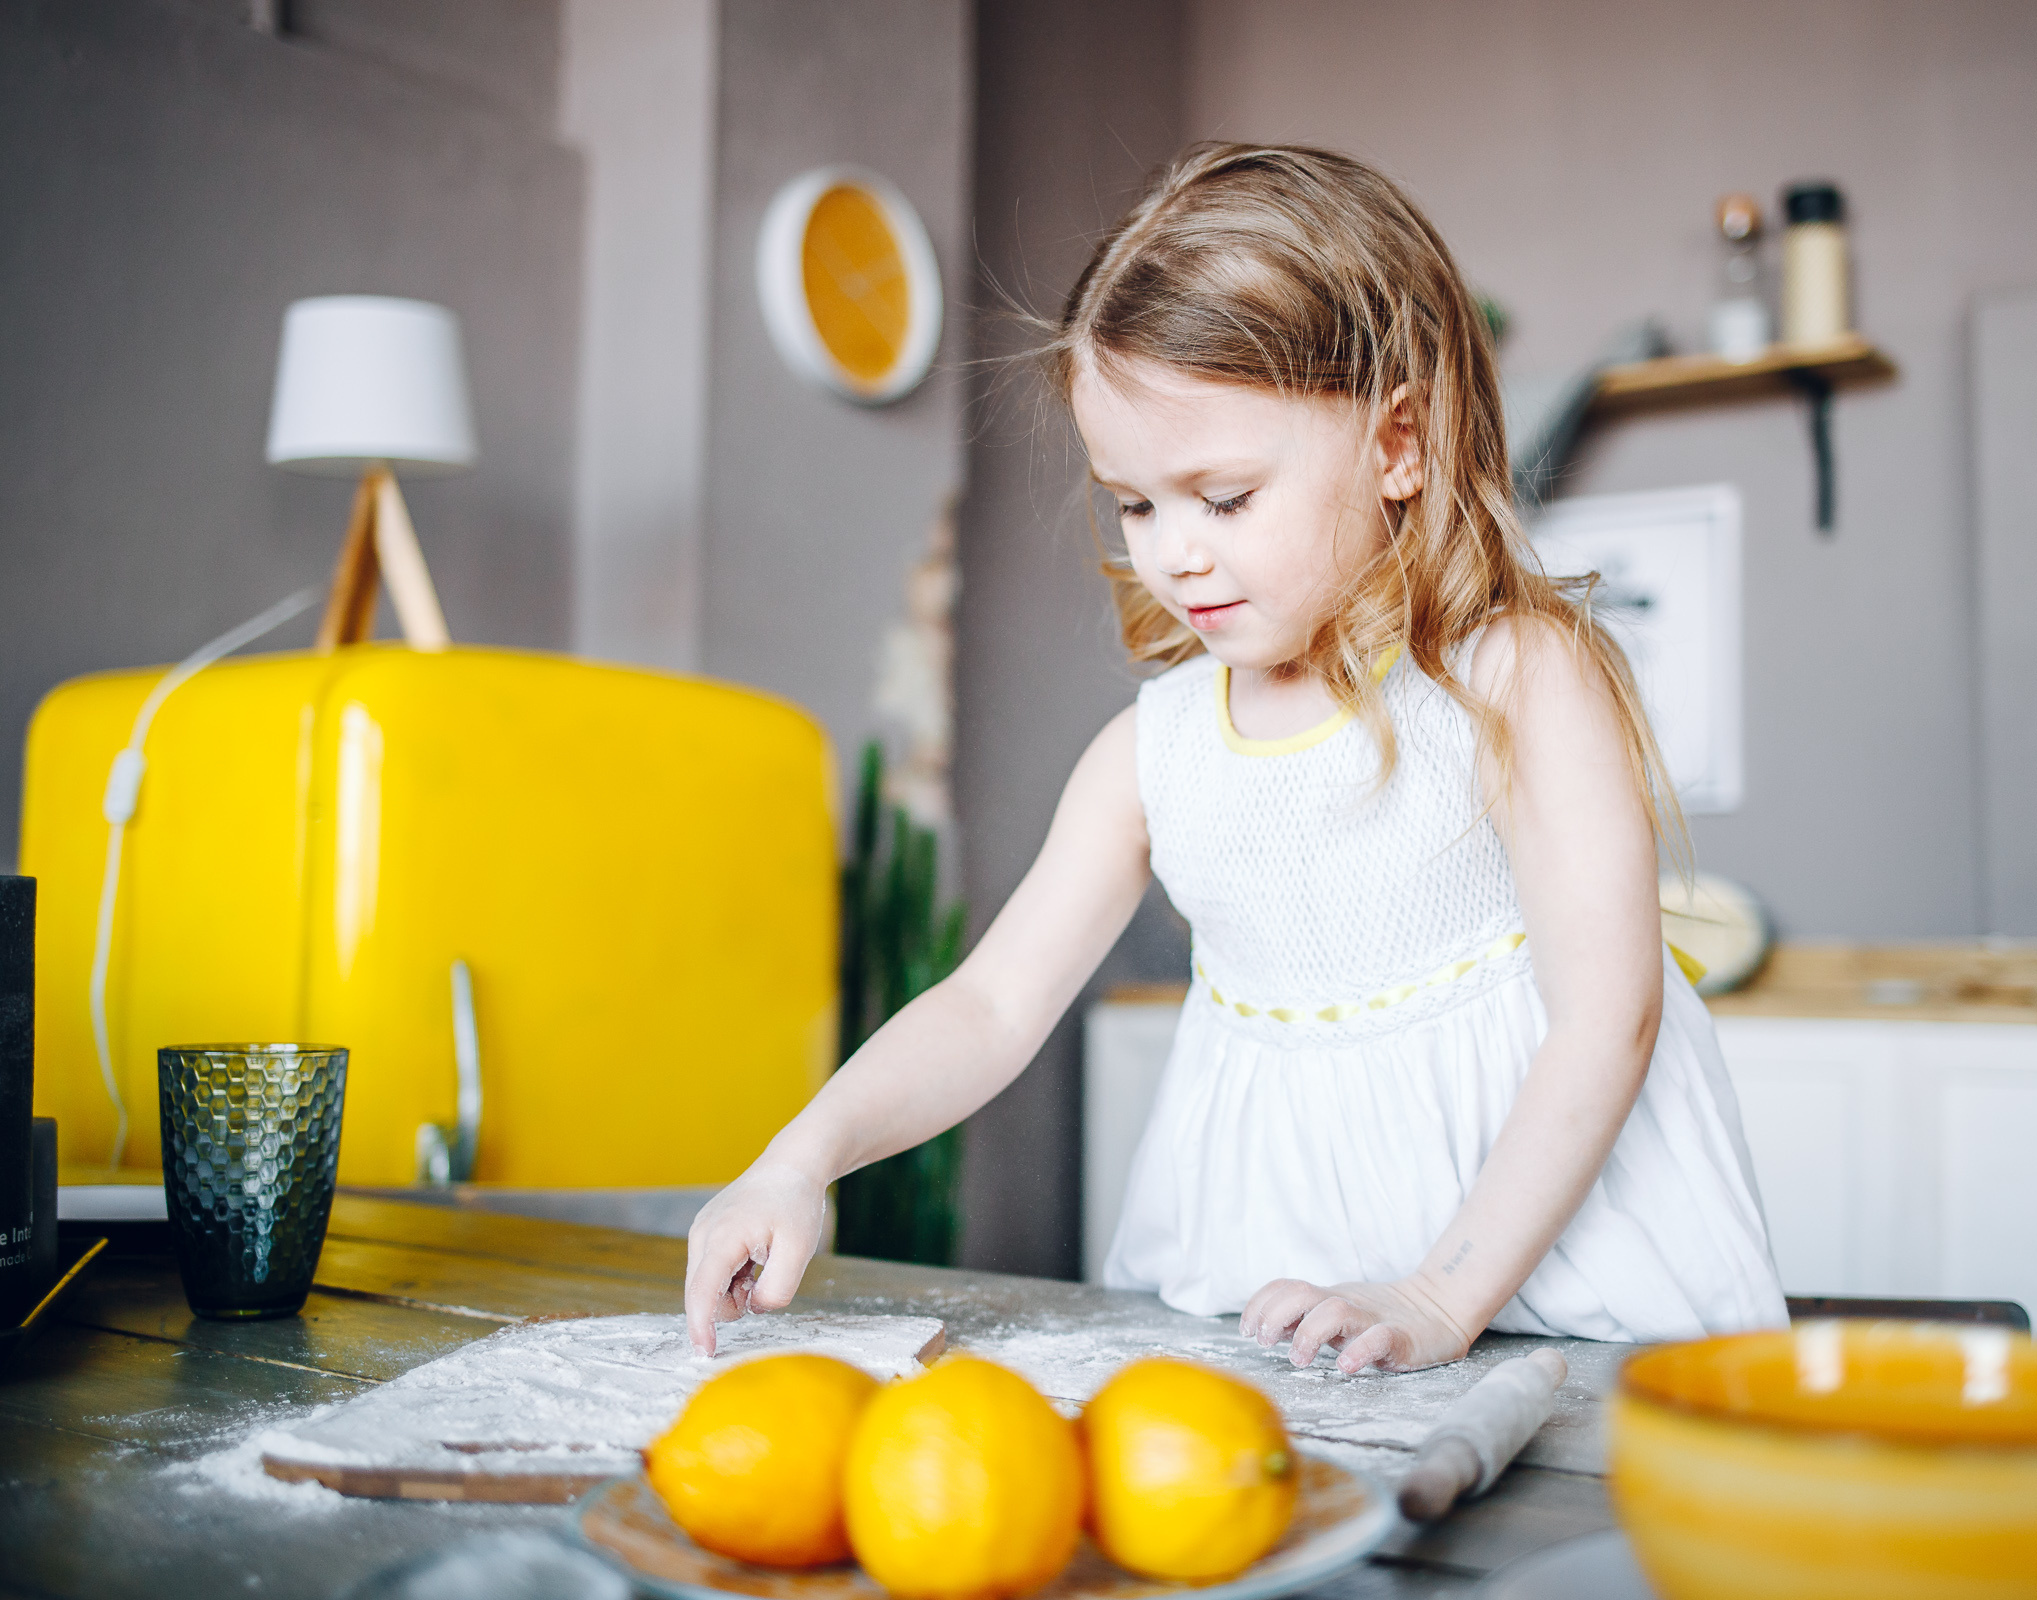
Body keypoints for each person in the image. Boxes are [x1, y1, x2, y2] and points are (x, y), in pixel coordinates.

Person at [684, 143, 1785, 1371]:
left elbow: (1609, 1017)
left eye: (1223, 495)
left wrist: (1436, 1295)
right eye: (1137, 504)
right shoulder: (1148, 753)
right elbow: (991, 1005)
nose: (1175, 556)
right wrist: (796, 1160)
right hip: (1276, 1315)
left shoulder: (1515, 679)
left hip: (1554, 1300)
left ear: (1398, 445)